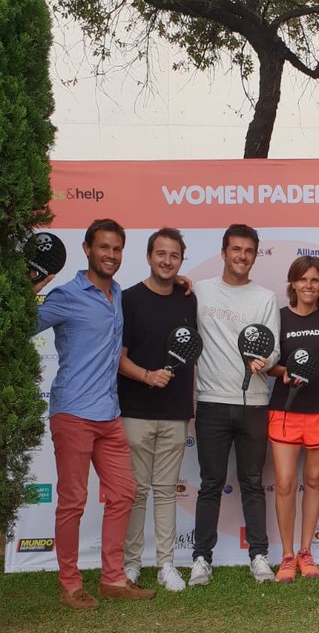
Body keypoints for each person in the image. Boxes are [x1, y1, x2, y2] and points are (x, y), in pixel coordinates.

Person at [34, 219, 154, 609]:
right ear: (87, 249)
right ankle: (70, 584)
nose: (111, 255)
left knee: (124, 493)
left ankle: (113, 578)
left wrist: (181, 281)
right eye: (104, 247)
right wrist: (29, 290)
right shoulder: (66, 295)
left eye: (117, 249)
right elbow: (21, 326)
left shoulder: (118, 294)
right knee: (72, 501)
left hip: (108, 414)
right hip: (72, 412)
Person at [189, 224, 280, 586]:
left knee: (253, 483)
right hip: (211, 402)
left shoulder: (266, 297)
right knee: (210, 483)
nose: (242, 256)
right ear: (224, 252)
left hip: (254, 404)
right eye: (235, 249)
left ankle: (259, 556)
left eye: (248, 251)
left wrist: (265, 362)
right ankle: (201, 559)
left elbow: (273, 350)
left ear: (255, 256)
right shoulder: (199, 292)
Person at [118, 228, 197, 593]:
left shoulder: (187, 298)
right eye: (161, 254)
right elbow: (117, 358)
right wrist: (147, 376)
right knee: (136, 491)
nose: (167, 261)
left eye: (174, 256)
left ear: (181, 260)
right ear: (149, 256)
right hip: (134, 409)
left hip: (175, 410)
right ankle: (130, 565)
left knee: (166, 491)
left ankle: (165, 563)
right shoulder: (129, 299)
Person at [268, 257, 319, 582]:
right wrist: (286, 372)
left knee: (314, 481)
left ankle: (306, 552)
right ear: (293, 283)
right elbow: (269, 363)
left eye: (315, 280)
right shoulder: (279, 316)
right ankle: (286, 555)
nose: (309, 286)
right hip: (285, 409)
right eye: (303, 280)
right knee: (285, 483)